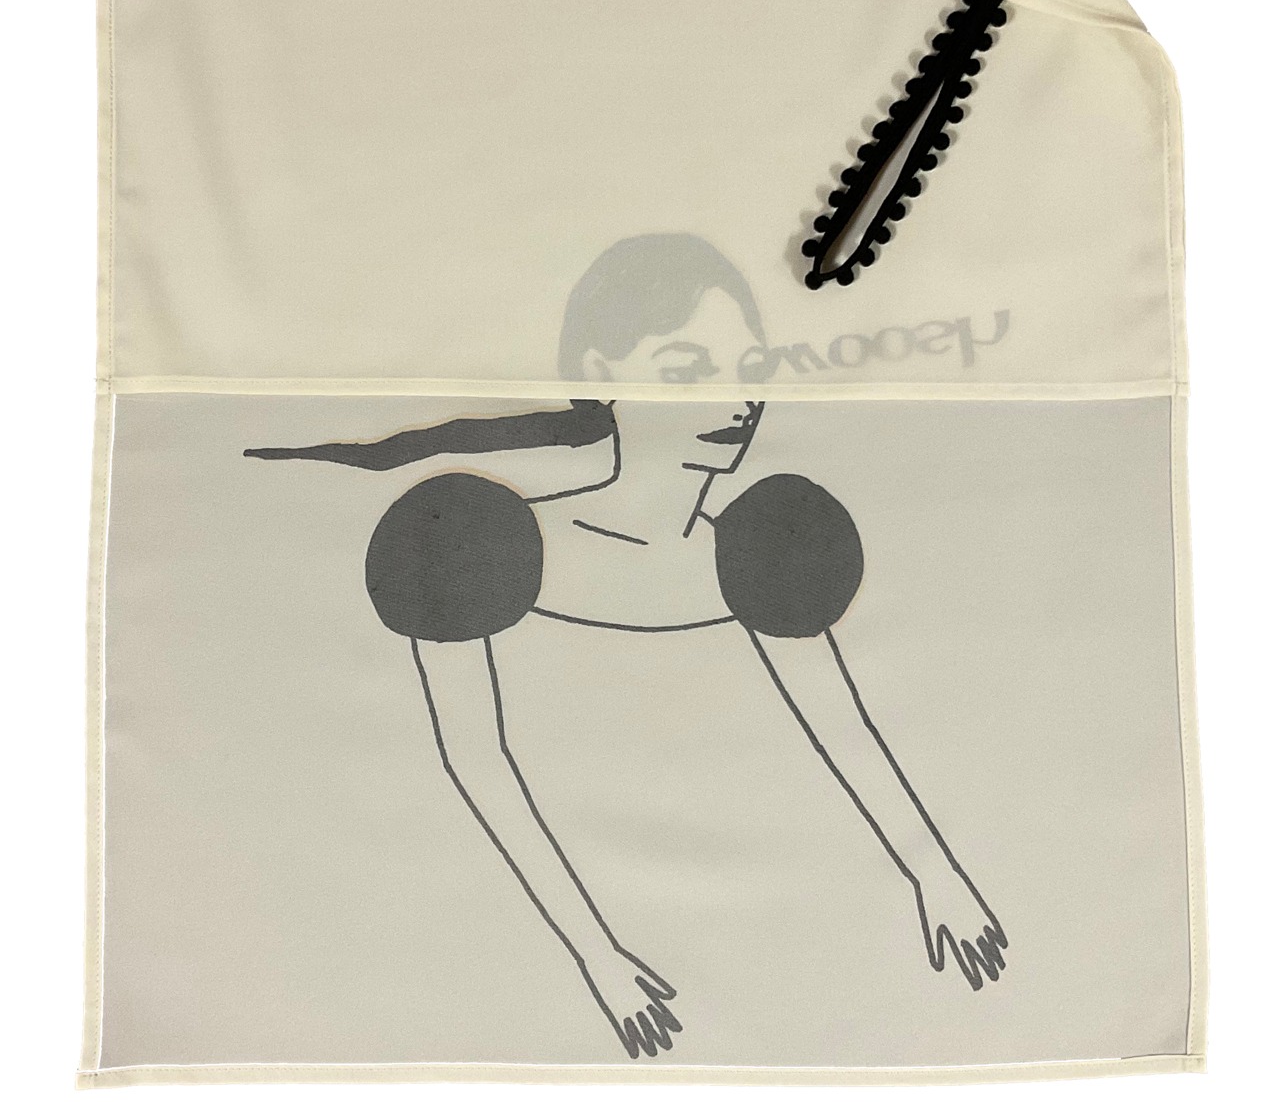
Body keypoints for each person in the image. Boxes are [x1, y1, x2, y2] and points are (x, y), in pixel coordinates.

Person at [246, 233, 1007, 1059]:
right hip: (444, 988)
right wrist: (596, 956)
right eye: (689, 368)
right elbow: (479, 763)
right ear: (602, 375)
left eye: (747, 370)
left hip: (828, 986)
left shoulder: (763, 555)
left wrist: (937, 874)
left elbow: (846, 732)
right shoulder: (470, 539)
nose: (734, 403)